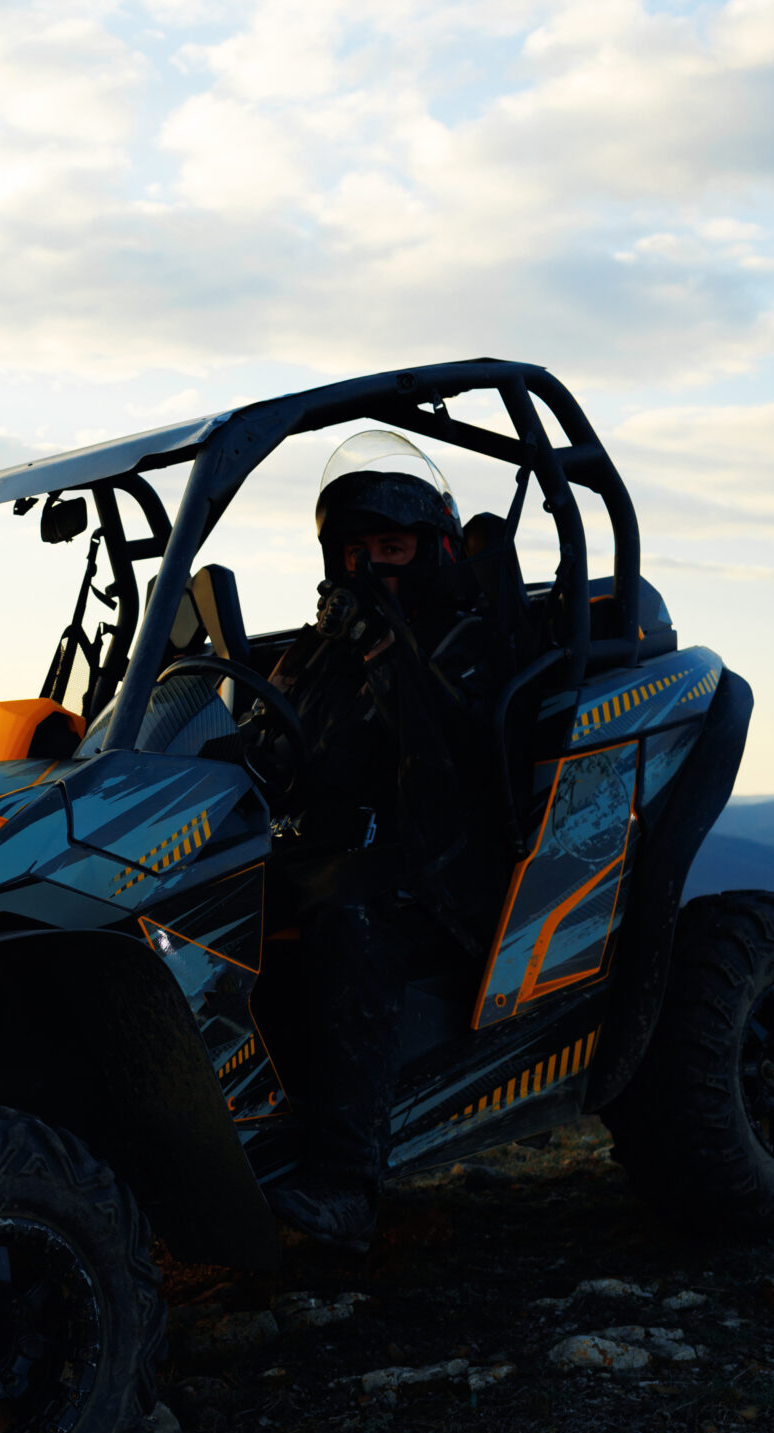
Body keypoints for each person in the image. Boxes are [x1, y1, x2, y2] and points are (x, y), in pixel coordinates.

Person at [255, 439, 482, 1250]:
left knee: (348, 919)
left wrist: (387, 651)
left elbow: (451, 754)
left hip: (438, 872)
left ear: (433, 549)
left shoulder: (463, 639)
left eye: (392, 548)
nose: (373, 566)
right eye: (359, 551)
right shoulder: (326, 643)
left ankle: (345, 1182)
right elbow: (270, 731)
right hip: (330, 849)